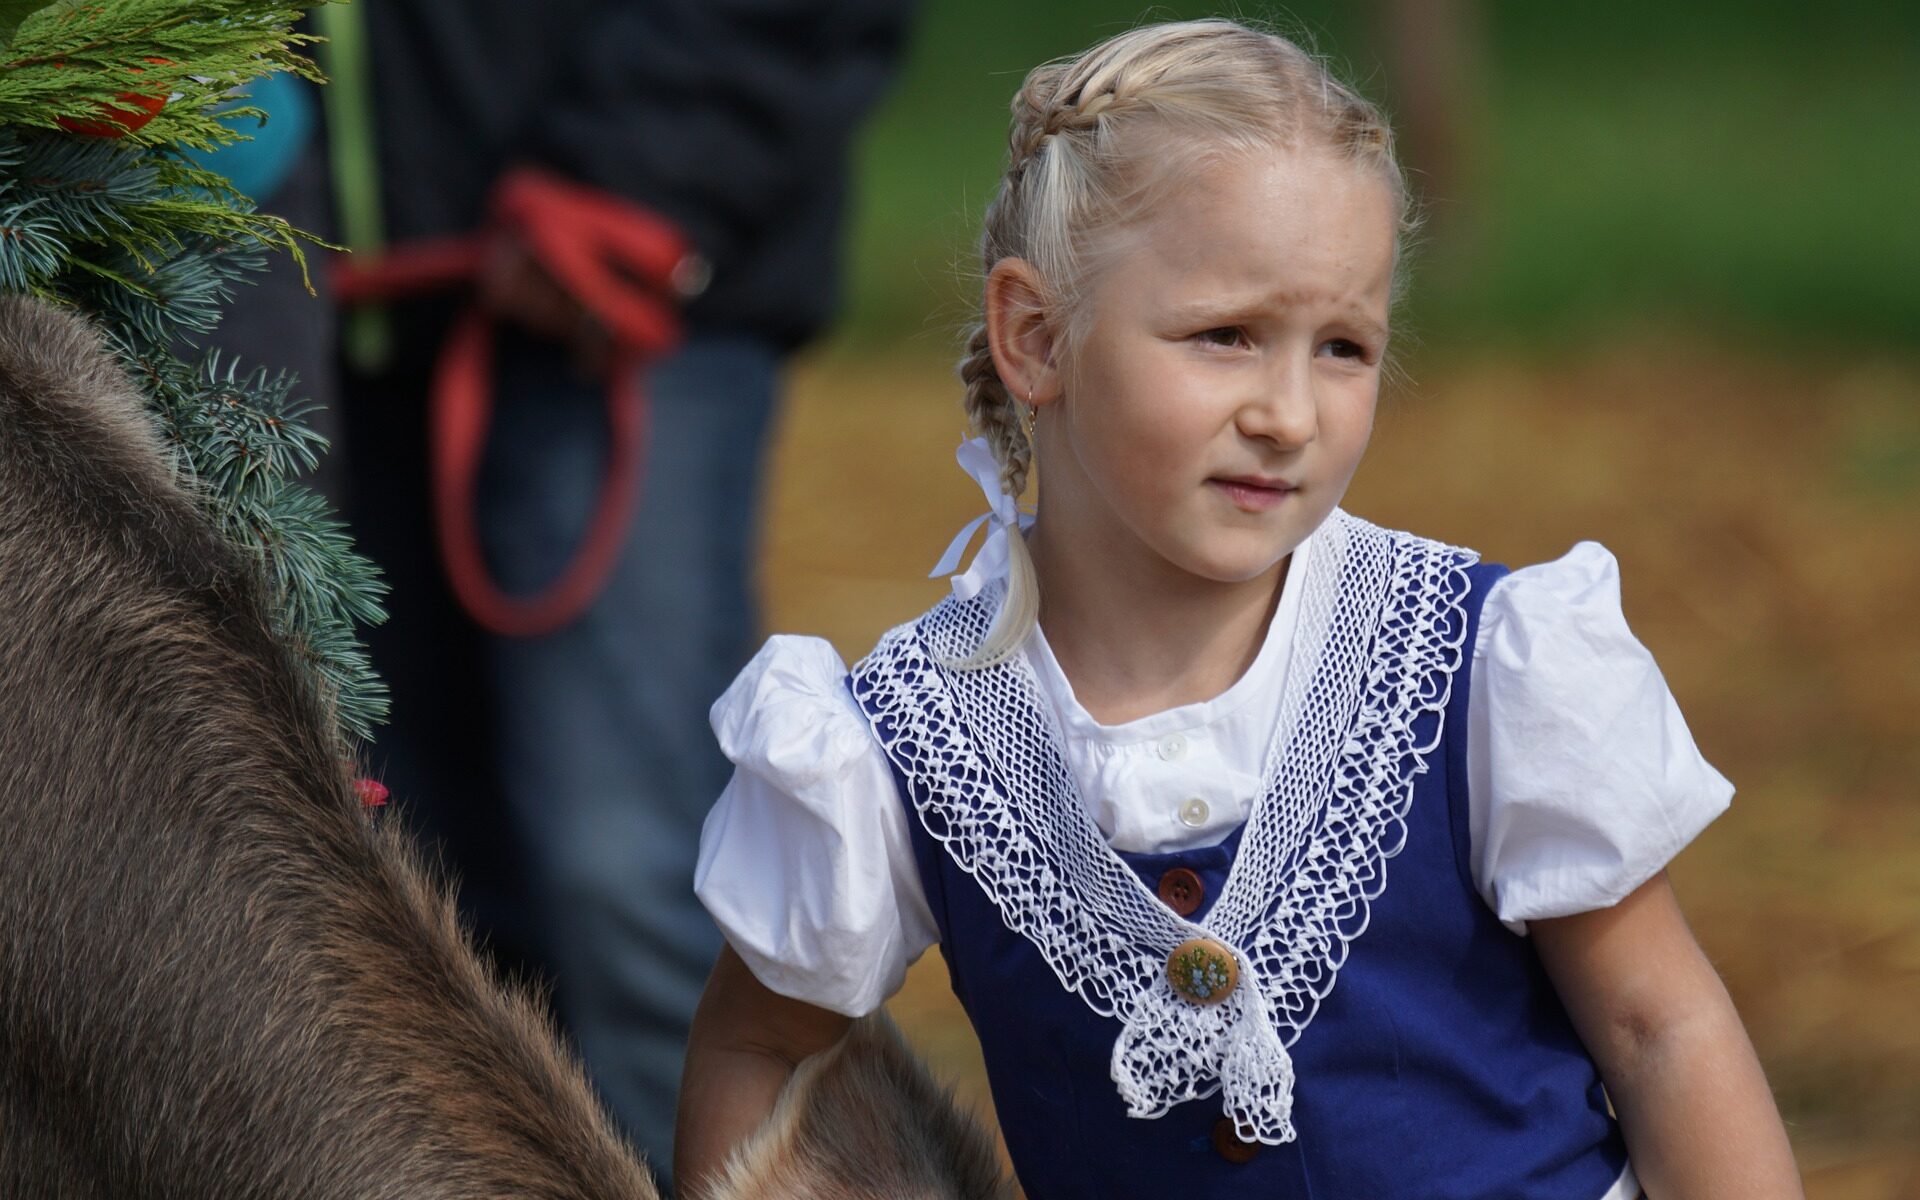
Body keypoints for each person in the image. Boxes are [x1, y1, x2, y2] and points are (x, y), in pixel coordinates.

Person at [675, 19, 1804, 1200]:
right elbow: (757, 1043)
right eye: (1226, 336)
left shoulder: (1481, 666)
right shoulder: (901, 743)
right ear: (1037, 335)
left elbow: (1660, 1027)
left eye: (1344, 349)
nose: (1289, 413)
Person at [209, 1, 917, 1186]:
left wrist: (650, 164)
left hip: (625, 291)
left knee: (634, 877)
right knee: (396, 873)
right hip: (310, 299)